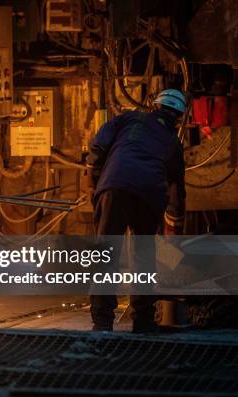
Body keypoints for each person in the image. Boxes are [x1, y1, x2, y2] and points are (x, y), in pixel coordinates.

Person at [86, 89, 187, 333]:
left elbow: (99, 144)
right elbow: (176, 186)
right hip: (149, 195)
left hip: (115, 187)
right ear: (178, 118)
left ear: (155, 105)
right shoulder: (173, 142)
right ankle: (143, 320)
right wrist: (174, 220)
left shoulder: (130, 118)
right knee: (143, 258)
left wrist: (93, 175)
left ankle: (102, 322)